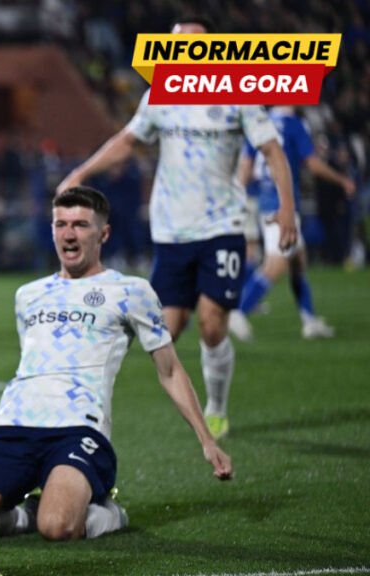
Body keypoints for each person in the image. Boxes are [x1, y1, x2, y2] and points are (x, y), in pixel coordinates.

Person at [0, 186, 233, 543]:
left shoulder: (131, 291)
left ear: (103, 234)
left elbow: (170, 370)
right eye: (61, 224)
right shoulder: (28, 295)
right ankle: (24, 516)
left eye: (80, 225)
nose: (69, 234)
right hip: (13, 424)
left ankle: (109, 512)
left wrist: (206, 440)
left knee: (59, 527)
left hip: (79, 428)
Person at [58, 17, 297, 440]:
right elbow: (127, 141)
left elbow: (272, 150)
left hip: (222, 225)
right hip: (171, 230)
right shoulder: (160, 96)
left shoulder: (237, 94)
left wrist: (288, 208)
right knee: (167, 329)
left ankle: (216, 407)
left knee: (212, 323)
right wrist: (82, 172)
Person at [229, 106, 357, 341]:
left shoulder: (259, 121)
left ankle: (309, 320)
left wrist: (234, 199)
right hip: (284, 204)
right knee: (276, 264)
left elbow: (246, 165)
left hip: (264, 200)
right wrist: (341, 180)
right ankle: (239, 310)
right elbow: (312, 164)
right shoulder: (293, 124)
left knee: (298, 260)